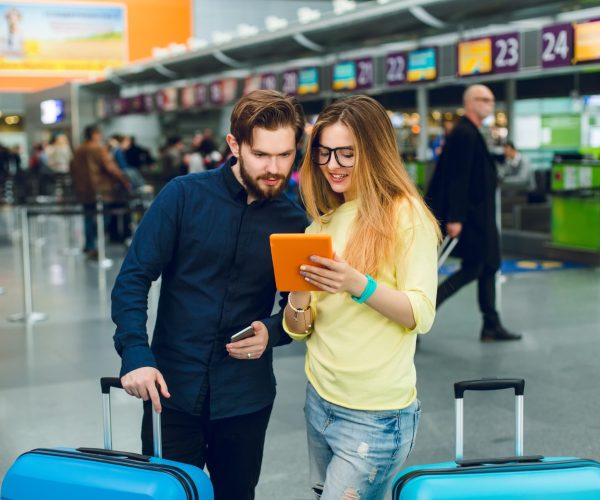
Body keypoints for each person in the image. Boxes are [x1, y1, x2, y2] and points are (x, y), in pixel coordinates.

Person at [111, 90, 307, 500]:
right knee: (168, 495)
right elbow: (133, 277)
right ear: (234, 145)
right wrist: (136, 354)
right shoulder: (183, 196)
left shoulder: (293, 220)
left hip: (246, 399)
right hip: (170, 392)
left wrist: (273, 331)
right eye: (261, 155)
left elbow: (301, 309)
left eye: (285, 155)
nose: (274, 169)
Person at [283, 95, 440, 499]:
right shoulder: (320, 227)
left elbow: (420, 314)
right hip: (319, 402)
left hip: (375, 417)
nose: (333, 165)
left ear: (373, 151)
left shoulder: (406, 215)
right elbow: (299, 330)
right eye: (325, 153)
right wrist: (298, 298)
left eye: (347, 153)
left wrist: (359, 285)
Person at [427, 85, 522, 342]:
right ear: (470, 102)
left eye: (492, 100)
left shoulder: (471, 132)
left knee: (488, 265)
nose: (490, 104)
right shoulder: (464, 134)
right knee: (475, 267)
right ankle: (420, 312)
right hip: (470, 217)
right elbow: (458, 178)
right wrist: (455, 217)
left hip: (480, 216)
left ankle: (491, 324)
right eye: (484, 99)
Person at [70, 125, 130, 258]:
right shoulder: (98, 148)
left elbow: (72, 168)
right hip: (100, 189)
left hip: (83, 189)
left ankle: (89, 245)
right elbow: (110, 167)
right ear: (94, 134)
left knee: (87, 217)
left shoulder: (78, 149)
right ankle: (94, 244)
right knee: (103, 217)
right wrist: (124, 180)